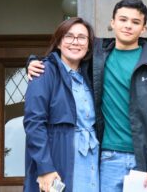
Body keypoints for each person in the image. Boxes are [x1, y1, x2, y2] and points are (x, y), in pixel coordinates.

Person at [27, 0, 147, 191]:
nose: (128, 26)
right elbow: (66, 56)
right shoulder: (97, 57)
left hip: (144, 161)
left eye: (135, 22)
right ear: (112, 23)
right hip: (108, 159)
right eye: (123, 19)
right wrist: (34, 62)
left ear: (144, 29)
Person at [23, 17, 99, 192]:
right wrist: (45, 167)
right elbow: (34, 123)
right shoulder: (43, 71)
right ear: (58, 43)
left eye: (82, 37)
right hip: (61, 160)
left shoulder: (89, 76)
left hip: (92, 161)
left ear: (88, 45)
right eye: (69, 36)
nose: (75, 42)